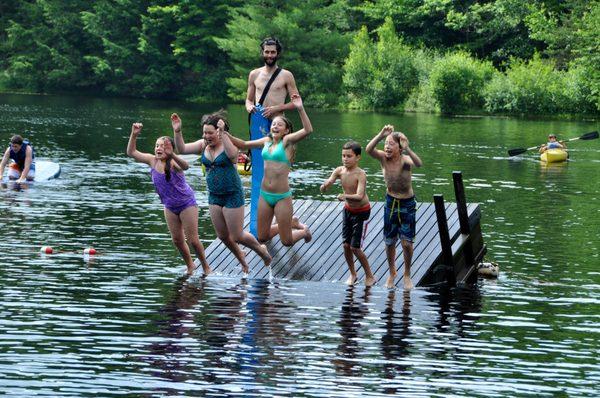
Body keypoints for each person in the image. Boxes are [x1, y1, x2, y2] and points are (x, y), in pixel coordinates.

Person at [171, 111, 272, 274]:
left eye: (210, 133)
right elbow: (182, 148)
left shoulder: (227, 144)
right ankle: (242, 259)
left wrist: (224, 133)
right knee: (223, 236)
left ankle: (261, 250)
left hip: (232, 194)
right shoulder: (203, 145)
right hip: (214, 196)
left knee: (237, 235)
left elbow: (233, 156)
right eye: (204, 132)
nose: (206, 136)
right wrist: (177, 131)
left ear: (218, 132)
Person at [225, 93, 312, 246]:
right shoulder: (266, 141)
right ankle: (291, 222)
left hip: (282, 197)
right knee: (263, 237)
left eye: (279, 124)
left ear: (286, 130)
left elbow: (307, 130)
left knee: (287, 241)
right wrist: (225, 134)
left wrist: (300, 108)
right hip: (265, 195)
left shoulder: (287, 142)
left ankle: (303, 231)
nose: (275, 126)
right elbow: (244, 144)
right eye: (273, 124)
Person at [126, 122, 210, 276]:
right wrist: (134, 134)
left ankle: (206, 267)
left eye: (163, 146)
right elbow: (131, 152)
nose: (159, 148)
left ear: (170, 149)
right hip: (169, 206)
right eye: (157, 145)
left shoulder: (173, 162)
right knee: (177, 240)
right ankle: (190, 266)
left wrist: (172, 155)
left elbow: (185, 167)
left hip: (186, 204)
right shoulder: (152, 160)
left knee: (193, 240)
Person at [366, 125, 423, 290]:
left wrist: (408, 149)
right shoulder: (384, 159)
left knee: (406, 242)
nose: (387, 147)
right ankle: (392, 272)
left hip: (407, 203)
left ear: (399, 147)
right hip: (390, 202)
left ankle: (407, 274)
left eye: (391, 144)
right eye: (386, 143)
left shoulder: (405, 162)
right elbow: (369, 150)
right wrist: (380, 135)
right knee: (390, 240)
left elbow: (418, 163)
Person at [321, 141, 375, 286]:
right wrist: (325, 185)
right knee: (346, 245)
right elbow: (330, 180)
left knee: (355, 247)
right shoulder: (340, 170)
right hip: (348, 211)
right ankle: (353, 274)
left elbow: (359, 196)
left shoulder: (360, 174)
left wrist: (345, 196)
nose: (345, 159)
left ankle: (370, 276)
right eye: (343, 156)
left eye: (349, 156)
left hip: (361, 212)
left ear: (357, 157)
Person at [246, 37, 299, 120]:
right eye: (267, 52)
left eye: (273, 52)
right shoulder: (254, 74)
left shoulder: (287, 75)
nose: (269, 55)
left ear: (277, 53)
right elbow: (249, 100)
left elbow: (296, 102)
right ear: (262, 53)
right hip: (259, 122)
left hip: (278, 122)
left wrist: (275, 109)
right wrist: (249, 107)